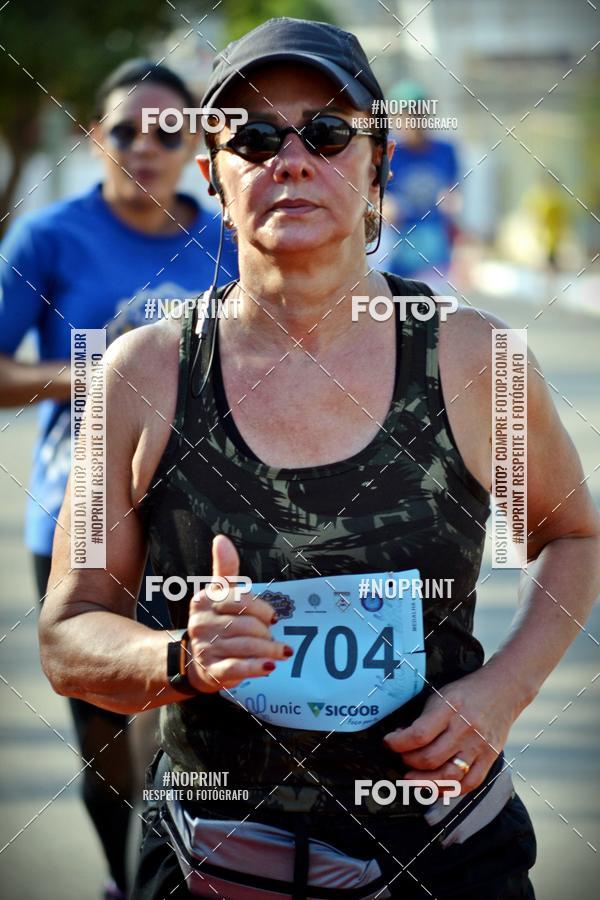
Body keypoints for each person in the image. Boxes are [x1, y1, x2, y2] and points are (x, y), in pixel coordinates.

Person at [39, 18, 600, 900]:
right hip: (211, 862)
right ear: (212, 175)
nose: (292, 161)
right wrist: (182, 659)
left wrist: (502, 691)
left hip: (443, 856)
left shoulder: (474, 358)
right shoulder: (139, 373)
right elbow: (69, 633)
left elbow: (573, 535)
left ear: (378, 166)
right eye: (255, 137)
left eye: (329, 133)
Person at [0, 59, 237, 899]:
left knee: (206, 728)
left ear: (196, 145)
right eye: (126, 129)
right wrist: (97, 380)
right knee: (110, 746)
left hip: (210, 525)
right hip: (84, 518)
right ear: (96, 138)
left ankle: (192, 880)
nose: (145, 145)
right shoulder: (48, 238)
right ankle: (123, 882)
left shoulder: (230, 241)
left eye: (168, 130)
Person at [382, 80, 460, 290]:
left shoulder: (445, 150)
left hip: (433, 243)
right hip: (397, 241)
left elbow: (451, 192)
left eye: (418, 114)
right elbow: (376, 198)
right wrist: (386, 206)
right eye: (406, 115)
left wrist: (450, 202)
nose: (413, 121)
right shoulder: (388, 151)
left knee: (432, 301)